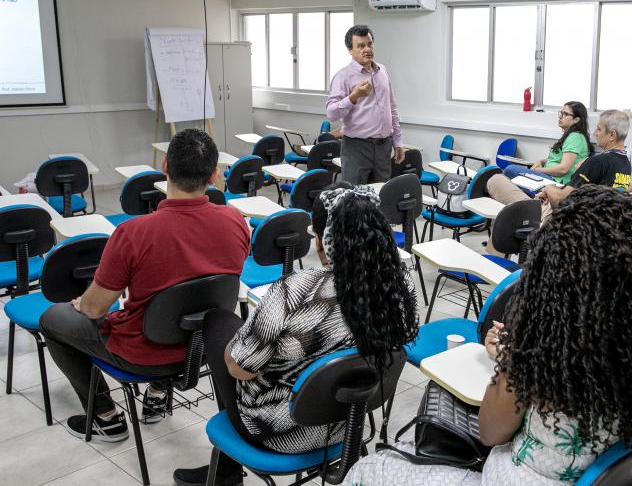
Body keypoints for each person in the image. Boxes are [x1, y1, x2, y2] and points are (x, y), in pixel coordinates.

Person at [344, 185, 632, 485]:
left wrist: (516, 359)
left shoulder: (546, 352)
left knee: (369, 469)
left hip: (512, 478)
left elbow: (491, 431)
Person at [173, 184, 419, 486]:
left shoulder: (296, 290)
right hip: (348, 423)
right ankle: (226, 467)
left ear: (323, 241)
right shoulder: (398, 290)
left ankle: (226, 471)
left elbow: (239, 369)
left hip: (277, 429)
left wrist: (234, 345)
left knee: (218, 323)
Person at [39, 129, 250, 442]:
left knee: (51, 320)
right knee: (177, 308)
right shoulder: (236, 221)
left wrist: (82, 303)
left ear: (164, 165)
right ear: (215, 174)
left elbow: (96, 307)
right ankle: (155, 395)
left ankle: (105, 417)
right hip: (204, 347)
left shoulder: (133, 233)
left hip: (142, 354)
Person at [486, 109, 631, 223]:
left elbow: (561, 199)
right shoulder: (626, 164)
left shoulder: (596, 162)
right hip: (590, 220)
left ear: (612, 135)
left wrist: (548, 189)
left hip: (560, 218)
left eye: (599, 129)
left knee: (495, 179)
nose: (594, 133)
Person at [326, 25, 405, 185]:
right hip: (357, 148)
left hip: (384, 147)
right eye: (360, 46)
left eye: (369, 44)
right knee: (354, 201)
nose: (366, 49)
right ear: (350, 50)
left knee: (378, 199)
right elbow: (331, 113)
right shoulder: (343, 76)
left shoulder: (382, 70)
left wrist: (397, 142)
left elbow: (392, 108)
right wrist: (354, 96)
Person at [501, 100, 594, 185]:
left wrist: (540, 170)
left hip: (556, 181)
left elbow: (563, 169)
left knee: (510, 170)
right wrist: (540, 161)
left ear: (576, 120)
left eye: (565, 114)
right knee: (510, 173)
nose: (561, 116)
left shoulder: (575, 137)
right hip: (551, 176)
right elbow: (558, 158)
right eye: (561, 113)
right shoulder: (571, 135)